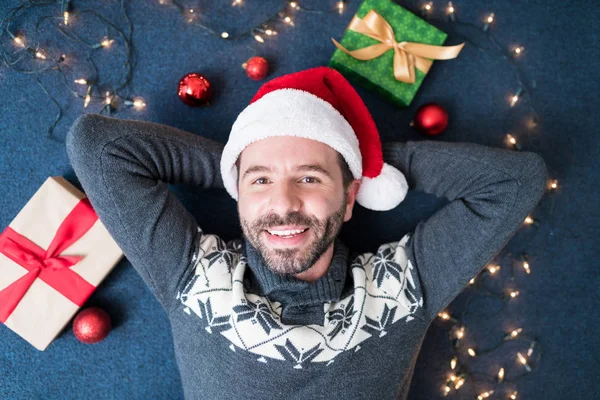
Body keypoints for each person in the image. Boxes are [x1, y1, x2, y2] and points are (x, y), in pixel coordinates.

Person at [66, 66, 548, 400]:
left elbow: (516, 182)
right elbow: (96, 145)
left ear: (350, 195)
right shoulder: (192, 276)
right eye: (260, 183)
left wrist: (363, 161)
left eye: (310, 179)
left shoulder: (402, 289)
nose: (282, 204)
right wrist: (244, 164)